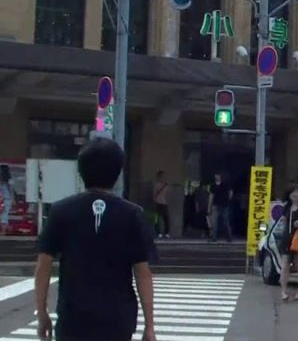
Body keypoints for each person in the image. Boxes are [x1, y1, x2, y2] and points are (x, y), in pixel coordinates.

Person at [34, 138, 157, 341]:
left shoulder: (60, 210)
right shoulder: (131, 214)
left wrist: (42, 313)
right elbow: (142, 271)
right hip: (117, 318)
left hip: (73, 317)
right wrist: (149, 325)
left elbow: (43, 266)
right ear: (118, 173)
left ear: (81, 171)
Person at [208, 173, 233, 243]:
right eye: (216, 175)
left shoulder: (225, 185)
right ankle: (214, 238)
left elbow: (231, 192)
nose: (217, 177)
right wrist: (209, 207)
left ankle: (229, 237)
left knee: (226, 222)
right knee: (214, 222)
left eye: (218, 175)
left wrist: (228, 200)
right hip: (215, 205)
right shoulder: (212, 185)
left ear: (220, 176)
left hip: (225, 206)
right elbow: (211, 196)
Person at [153, 171, 170, 239]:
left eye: (163, 176)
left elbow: (167, 195)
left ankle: (166, 232)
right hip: (158, 203)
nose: (162, 178)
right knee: (157, 219)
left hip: (164, 203)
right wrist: (155, 200)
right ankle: (158, 232)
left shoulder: (166, 185)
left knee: (166, 219)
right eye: (161, 176)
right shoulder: (156, 185)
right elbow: (154, 194)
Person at [0, 164, 13, 236]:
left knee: (3, 215)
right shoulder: (9, 180)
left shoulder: (2, 181)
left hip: (3, 199)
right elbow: (11, 191)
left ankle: (4, 230)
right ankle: (7, 228)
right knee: (5, 214)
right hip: (7, 199)